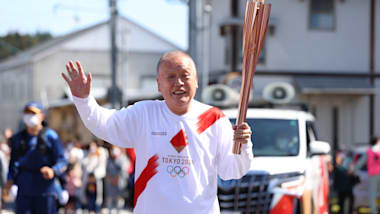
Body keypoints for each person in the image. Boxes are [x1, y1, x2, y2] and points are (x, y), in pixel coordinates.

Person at [62, 50, 254, 214]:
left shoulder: (214, 119)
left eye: (185, 75)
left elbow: (232, 171)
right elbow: (104, 123)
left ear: (196, 81)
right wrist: (84, 100)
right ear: (158, 84)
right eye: (170, 76)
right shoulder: (145, 114)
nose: (178, 83)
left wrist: (243, 146)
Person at [6, 101, 67, 214]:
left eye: (33, 113)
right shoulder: (17, 138)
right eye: (27, 113)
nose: (30, 117)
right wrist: (10, 182)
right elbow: (13, 163)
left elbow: (62, 161)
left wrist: (53, 171)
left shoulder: (51, 136)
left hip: (45, 190)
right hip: (24, 190)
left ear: (42, 116)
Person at [354, 136, 380, 214]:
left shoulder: (369, 151)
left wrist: (353, 170)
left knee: (372, 195)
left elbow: (360, 163)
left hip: (372, 175)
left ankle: (374, 211)